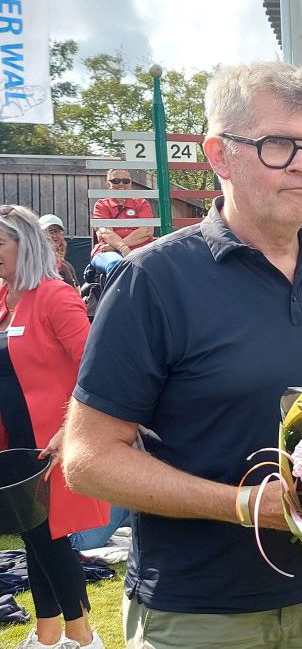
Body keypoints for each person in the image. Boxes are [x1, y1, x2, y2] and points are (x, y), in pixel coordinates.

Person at [62, 61, 302, 648]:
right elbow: (88, 459)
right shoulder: (153, 279)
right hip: (198, 614)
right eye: (278, 145)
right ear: (219, 155)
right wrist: (243, 504)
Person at [0, 206, 107, 649]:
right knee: (33, 535)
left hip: (51, 440)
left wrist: (69, 428)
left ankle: (82, 637)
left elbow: (94, 369)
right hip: (15, 440)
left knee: (50, 537)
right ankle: (47, 635)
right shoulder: (5, 299)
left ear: (23, 245)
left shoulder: (55, 296)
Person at [90, 169, 156, 274]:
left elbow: (147, 231)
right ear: (108, 184)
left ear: (130, 184)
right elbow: (105, 232)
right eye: (116, 181)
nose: (121, 184)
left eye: (125, 181)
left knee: (158, 263)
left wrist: (120, 246)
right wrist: (124, 248)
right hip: (108, 252)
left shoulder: (141, 203)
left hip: (139, 249)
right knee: (116, 265)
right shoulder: (101, 205)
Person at [38, 214, 79, 288]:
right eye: (50, 231)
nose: (54, 236)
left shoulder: (66, 266)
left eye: (57, 231)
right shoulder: (33, 264)